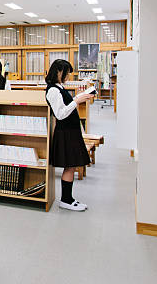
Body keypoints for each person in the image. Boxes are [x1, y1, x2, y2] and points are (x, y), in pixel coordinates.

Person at [45, 59, 94, 211]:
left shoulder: (59, 87)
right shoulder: (53, 90)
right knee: (70, 165)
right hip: (65, 132)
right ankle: (66, 200)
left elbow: (65, 107)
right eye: (66, 73)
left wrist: (77, 99)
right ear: (59, 72)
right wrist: (77, 101)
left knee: (71, 166)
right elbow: (60, 114)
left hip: (71, 130)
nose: (68, 76)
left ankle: (68, 198)